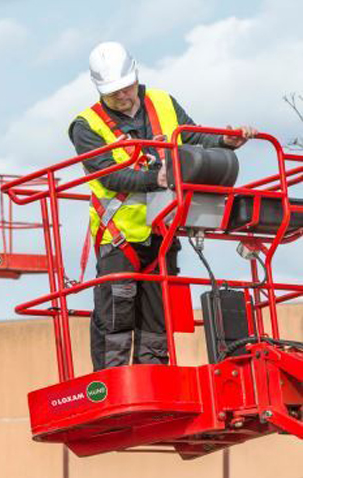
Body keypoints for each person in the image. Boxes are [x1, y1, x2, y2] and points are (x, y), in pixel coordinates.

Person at [69, 41, 258, 370]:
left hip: (164, 231)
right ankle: (113, 386)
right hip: (120, 237)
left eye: (126, 89)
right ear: (100, 90)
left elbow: (194, 138)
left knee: (157, 317)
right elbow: (109, 177)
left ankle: (155, 379)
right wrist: (155, 178)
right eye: (115, 93)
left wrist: (225, 141)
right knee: (116, 313)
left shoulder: (162, 102)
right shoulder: (86, 126)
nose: (123, 97)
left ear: (135, 75)